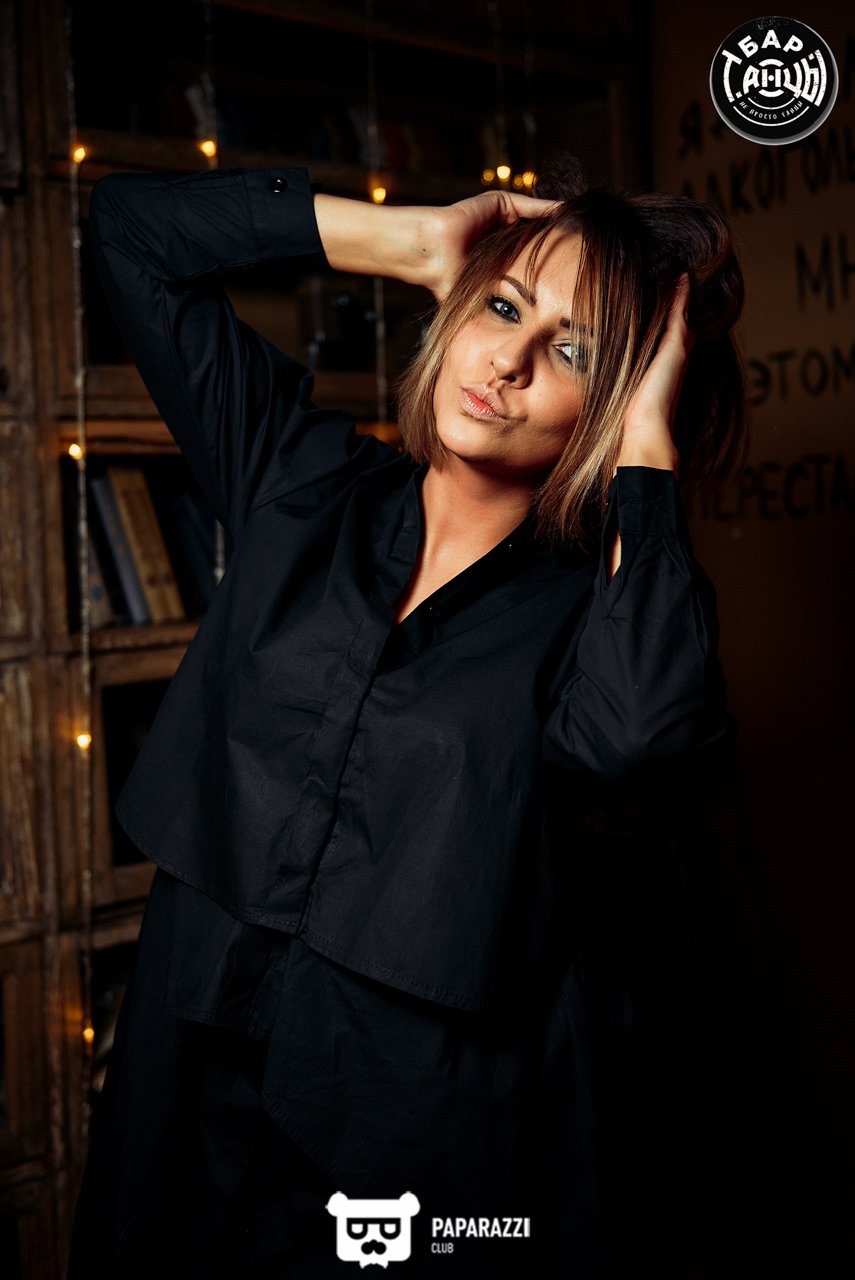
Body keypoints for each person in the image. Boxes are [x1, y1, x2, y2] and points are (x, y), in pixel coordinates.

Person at [67, 155, 746, 1279]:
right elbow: (131, 229)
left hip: (415, 1120)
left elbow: (637, 738)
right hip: (184, 1064)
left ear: (613, 404)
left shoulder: (598, 612)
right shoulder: (296, 481)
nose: (509, 361)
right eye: (504, 307)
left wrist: (646, 456)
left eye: (574, 352)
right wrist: (413, 243)